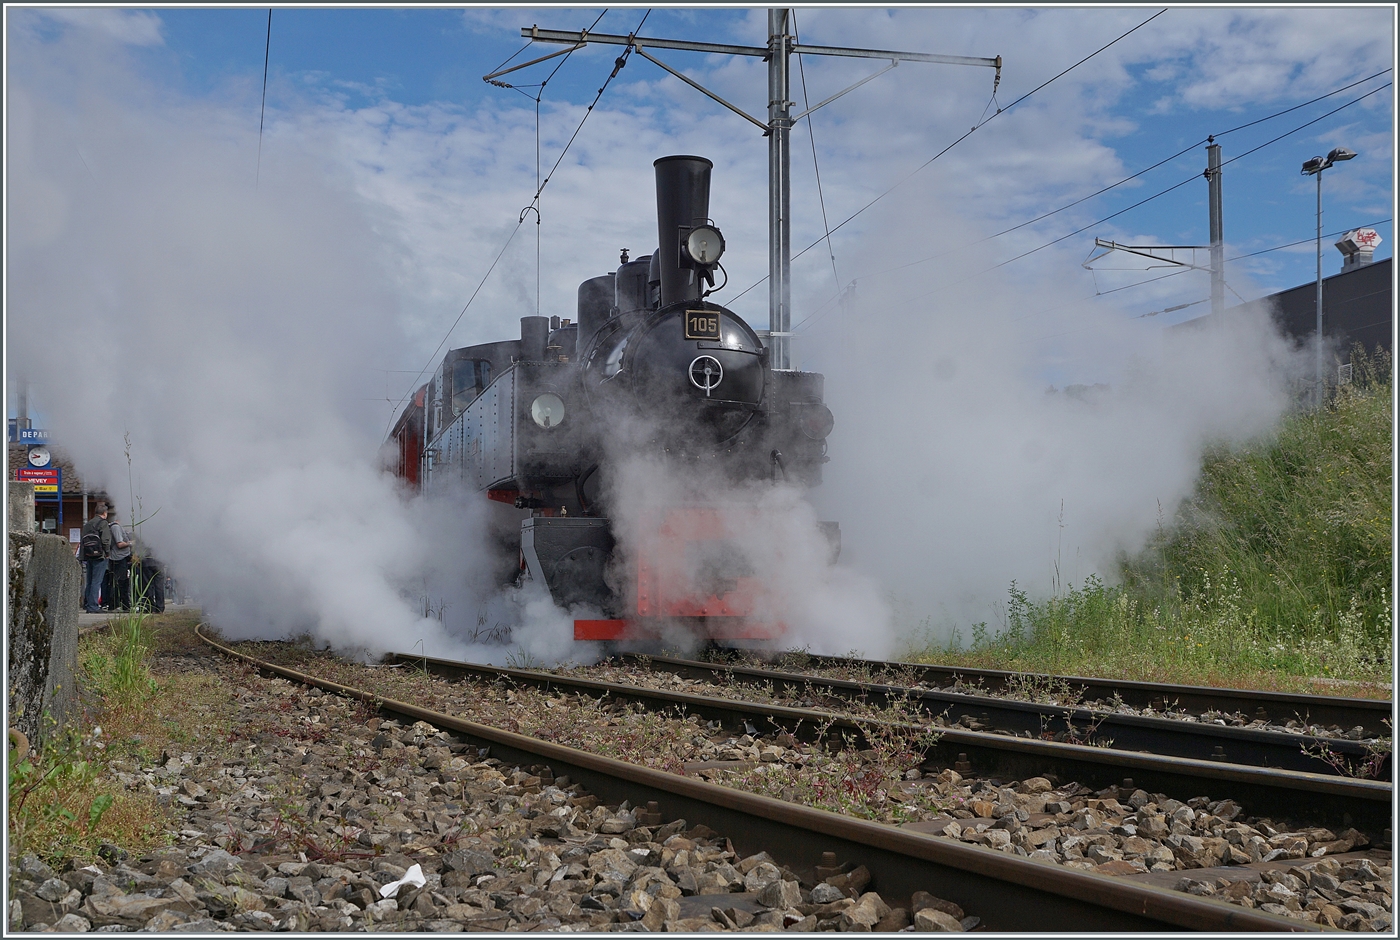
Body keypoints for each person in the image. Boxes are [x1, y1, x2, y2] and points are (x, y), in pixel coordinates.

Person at [81, 504, 112, 613]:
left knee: (89, 581)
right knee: (97, 581)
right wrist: (107, 553)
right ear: (104, 513)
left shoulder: (88, 524)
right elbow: (105, 540)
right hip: (99, 555)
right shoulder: (103, 523)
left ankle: (87, 604)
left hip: (89, 555)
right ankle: (93, 606)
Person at [105, 508, 134, 612]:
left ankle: (122, 604)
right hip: (118, 558)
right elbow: (119, 543)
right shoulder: (116, 527)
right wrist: (131, 543)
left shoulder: (115, 527)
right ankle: (117, 604)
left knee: (122, 582)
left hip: (120, 557)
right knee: (120, 582)